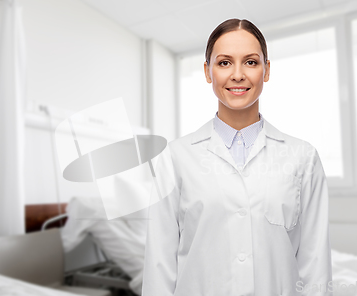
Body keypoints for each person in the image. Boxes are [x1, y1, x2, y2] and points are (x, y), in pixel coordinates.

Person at [142, 18, 332, 296]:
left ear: (266, 71)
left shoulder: (303, 158)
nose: (238, 74)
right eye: (224, 63)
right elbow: (159, 262)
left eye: (251, 62)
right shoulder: (176, 157)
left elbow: (315, 264)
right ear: (208, 72)